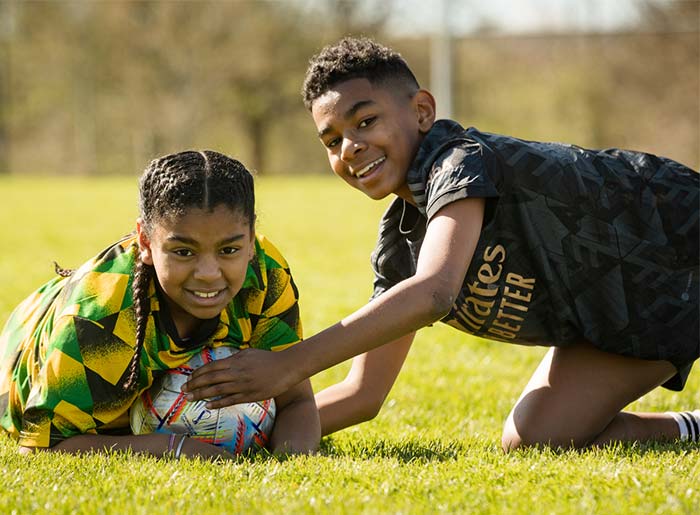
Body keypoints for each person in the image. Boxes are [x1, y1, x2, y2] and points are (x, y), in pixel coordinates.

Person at [182, 37, 700, 450]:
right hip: (627, 319)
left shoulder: (460, 159)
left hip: (682, 242)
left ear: (423, 111)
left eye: (366, 121)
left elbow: (435, 292)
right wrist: (240, 431)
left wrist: (288, 365)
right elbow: (364, 394)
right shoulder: (400, 244)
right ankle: (689, 428)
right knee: (533, 439)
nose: (350, 148)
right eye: (332, 140)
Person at [0, 150, 320, 458]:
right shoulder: (101, 317)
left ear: (251, 239)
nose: (209, 274)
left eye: (228, 250)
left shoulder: (265, 275)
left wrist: (287, 460)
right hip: (23, 342)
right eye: (183, 251)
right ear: (145, 242)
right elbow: (40, 446)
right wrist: (173, 447)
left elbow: (297, 401)